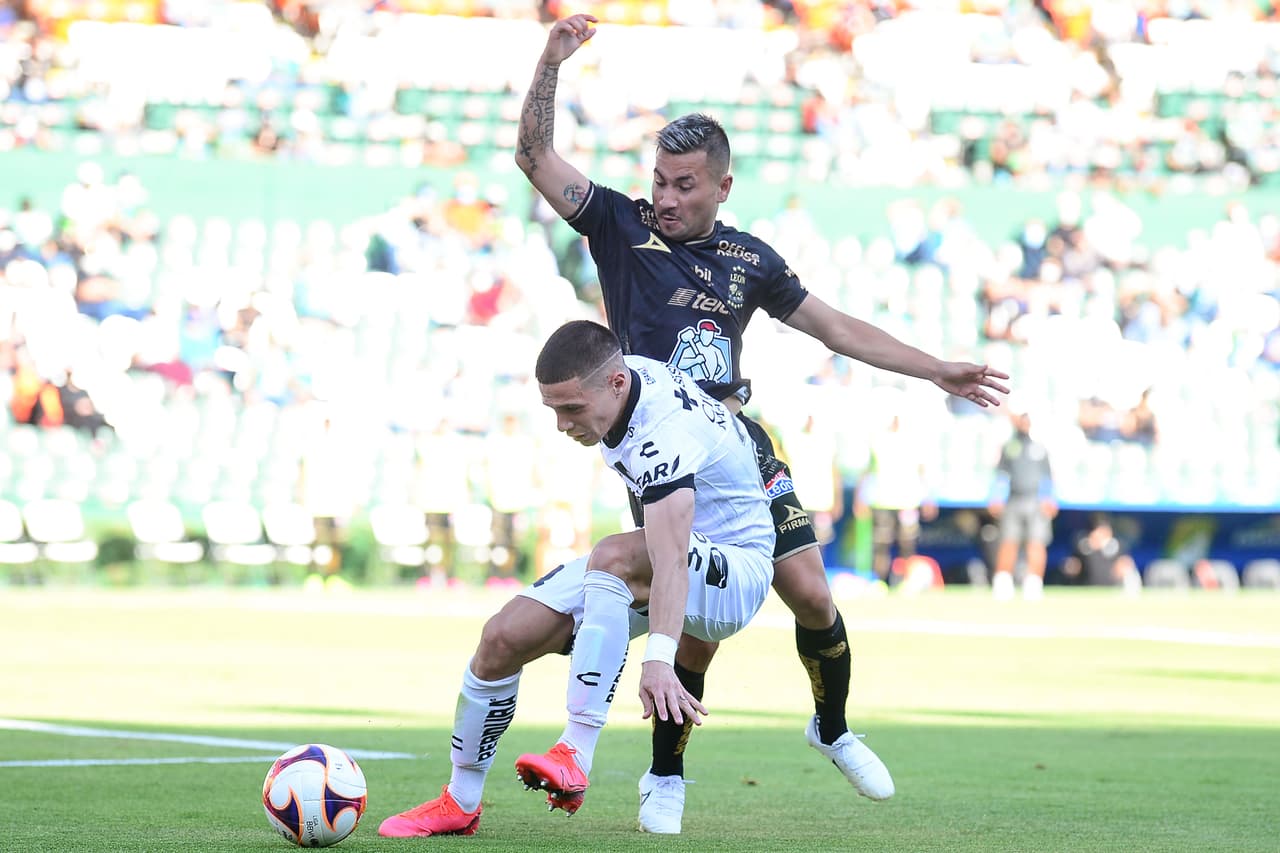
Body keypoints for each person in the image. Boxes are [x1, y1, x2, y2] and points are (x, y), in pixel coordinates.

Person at [507, 13, 1010, 833]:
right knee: (696, 628)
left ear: (722, 187)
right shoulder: (619, 226)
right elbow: (534, 156)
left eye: (684, 185)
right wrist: (551, 61)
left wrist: (935, 368)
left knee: (812, 592)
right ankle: (665, 771)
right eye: (660, 180)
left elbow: (835, 328)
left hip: (742, 446)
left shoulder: (751, 261)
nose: (666, 198)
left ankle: (831, 726)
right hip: (667, 456)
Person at [378, 320, 776, 836]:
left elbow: (672, 559)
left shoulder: (662, 433)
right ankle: (460, 800)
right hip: (668, 559)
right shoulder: (621, 381)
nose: (562, 424)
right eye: (553, 410)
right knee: (502, 638)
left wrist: (660, 659)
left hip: (737, 572)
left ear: (615, 383)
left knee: (612, 555)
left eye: (572, 409)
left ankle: (576, 753)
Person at [855, 414, 938, 585]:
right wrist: (860, 497)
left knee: (908, 545)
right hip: (882, 501)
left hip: (907, 502)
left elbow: (922, 471)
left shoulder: (914, 440)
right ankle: (880, 582)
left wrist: (928, 498)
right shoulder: (877, 439)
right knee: (881, 545)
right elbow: (867, 471)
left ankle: (906, 582)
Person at [987, 404, 1056, 600]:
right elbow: (1001, 474)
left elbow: (1047, 477)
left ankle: (1033, 583)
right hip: (1014, 499)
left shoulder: (1040, 448)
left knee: (1036, 543)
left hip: (1035, 500)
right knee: (1008, 541)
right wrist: (997, 496)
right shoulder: (1010, 447)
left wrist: (1048, 498)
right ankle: (1003, 582)